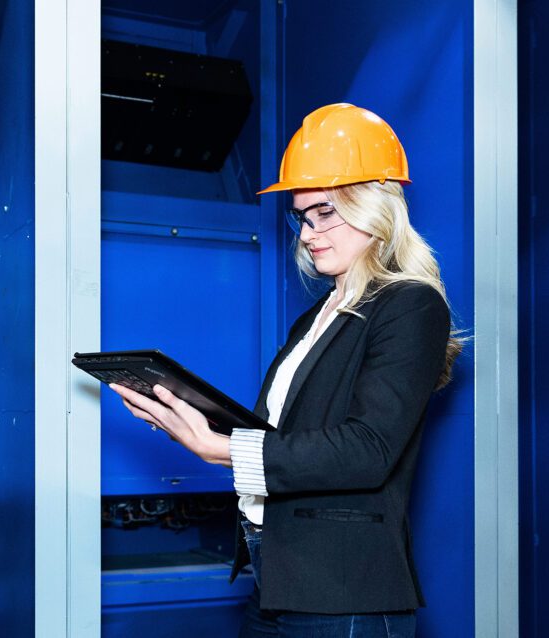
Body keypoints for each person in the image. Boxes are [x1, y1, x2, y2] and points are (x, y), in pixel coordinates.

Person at [111, 103, 461, 638]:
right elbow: (291, 436)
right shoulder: (314, 317)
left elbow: (367, 451)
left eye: (326, 214)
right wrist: (189, 417)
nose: (307, 233)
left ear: (375, 209)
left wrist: (220, 448)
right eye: (303, 217)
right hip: (273, 580)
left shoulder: (410, 304)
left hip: (342, 595)